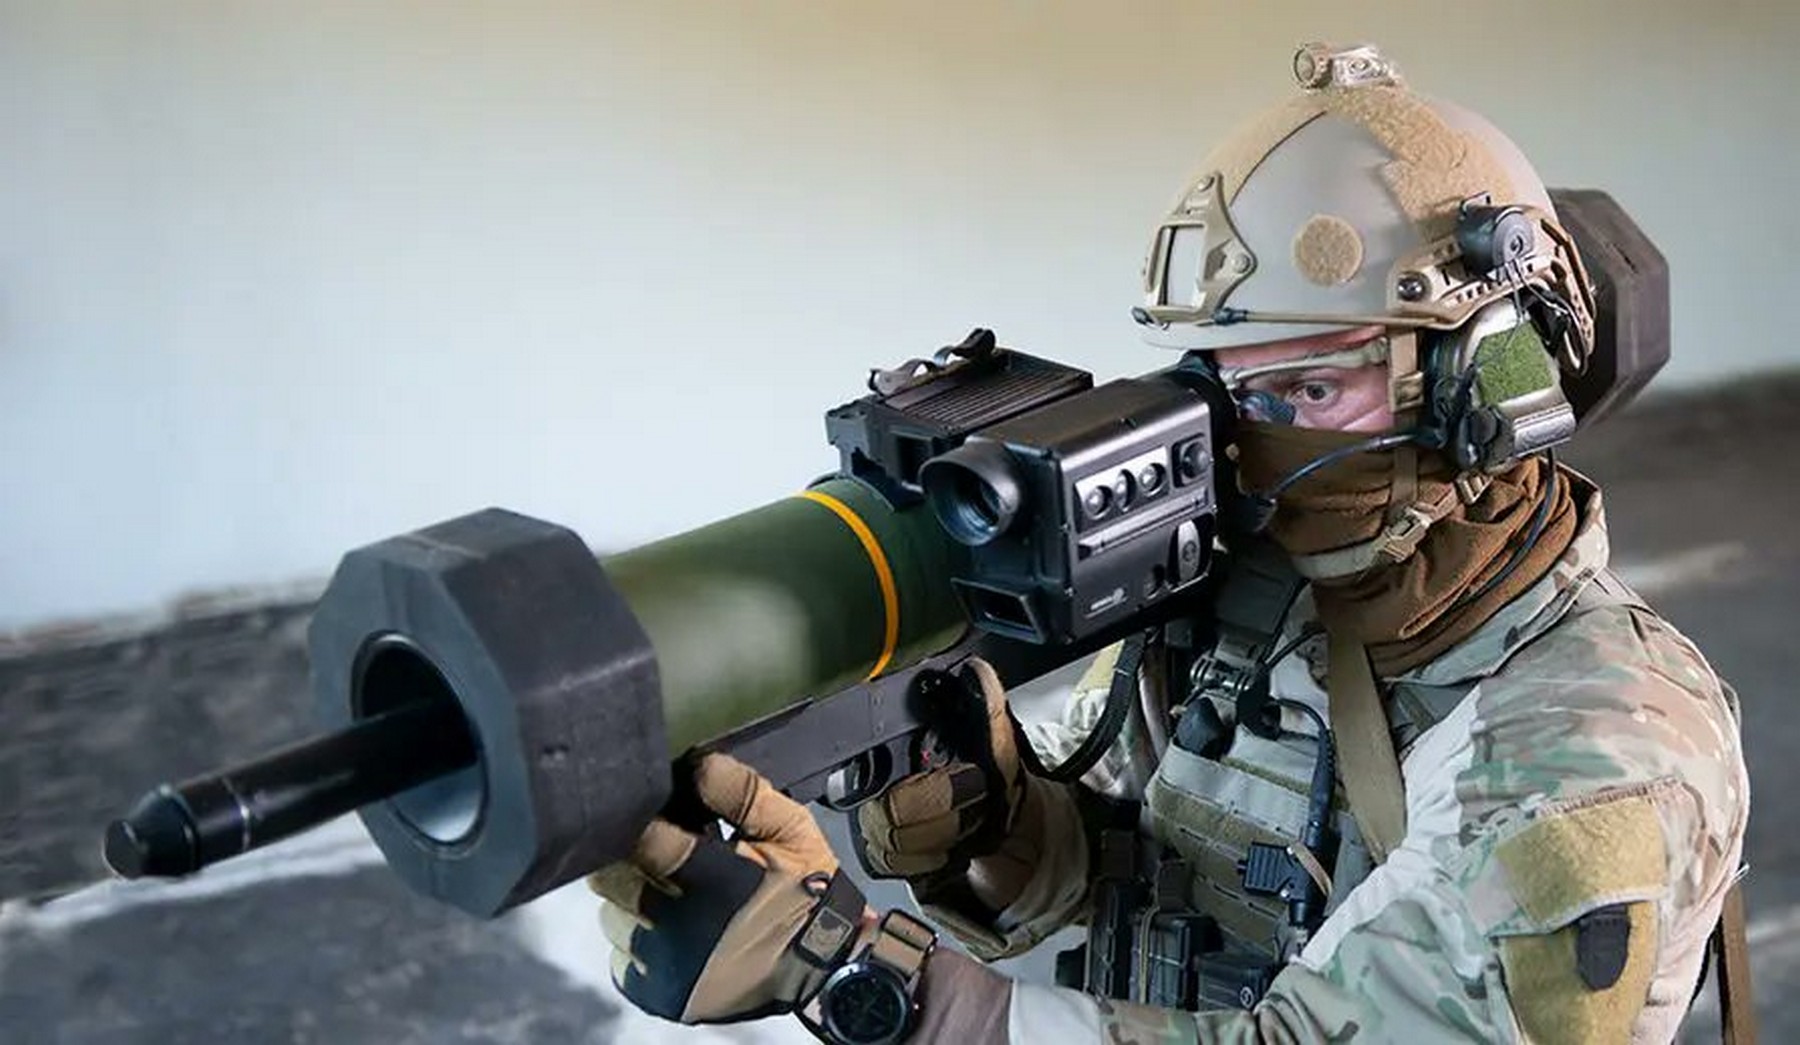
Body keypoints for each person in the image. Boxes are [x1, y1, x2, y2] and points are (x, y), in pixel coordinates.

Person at [590, 43, 1749, 1043]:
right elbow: (1142, 886)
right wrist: (993, 820)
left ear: (1485, 385)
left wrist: (856, 976)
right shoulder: (1263, 605)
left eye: (1310, 388)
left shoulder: (1600, 748)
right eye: (1232, 385)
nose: (1251, 439)